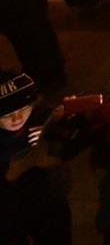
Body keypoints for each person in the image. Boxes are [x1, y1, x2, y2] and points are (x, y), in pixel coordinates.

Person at [0, 71, 73, 244]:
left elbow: (68, 142)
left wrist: (67, 119)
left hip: (48, 201)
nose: (17, 118)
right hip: (7, 209)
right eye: (5, 114)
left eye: (23, 109)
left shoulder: (43, 118)